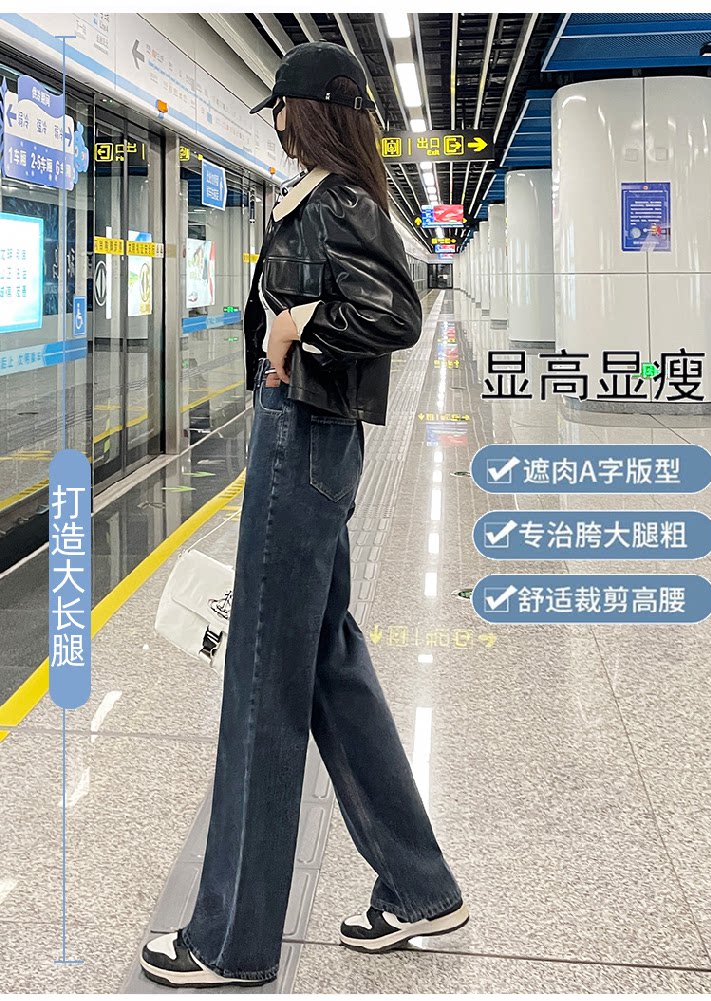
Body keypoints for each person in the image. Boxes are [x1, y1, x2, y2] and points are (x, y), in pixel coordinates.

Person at [141, 41, 467, 989]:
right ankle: (420, 887)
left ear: (302, 110)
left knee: (262, 677)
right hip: (311, 438)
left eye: (280, 110)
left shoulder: (336, 202)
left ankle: (229, 938)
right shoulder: (328, 195)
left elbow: (395, 313)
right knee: (326, 659)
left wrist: (299, 324)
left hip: (304, 437)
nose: (277, 126)